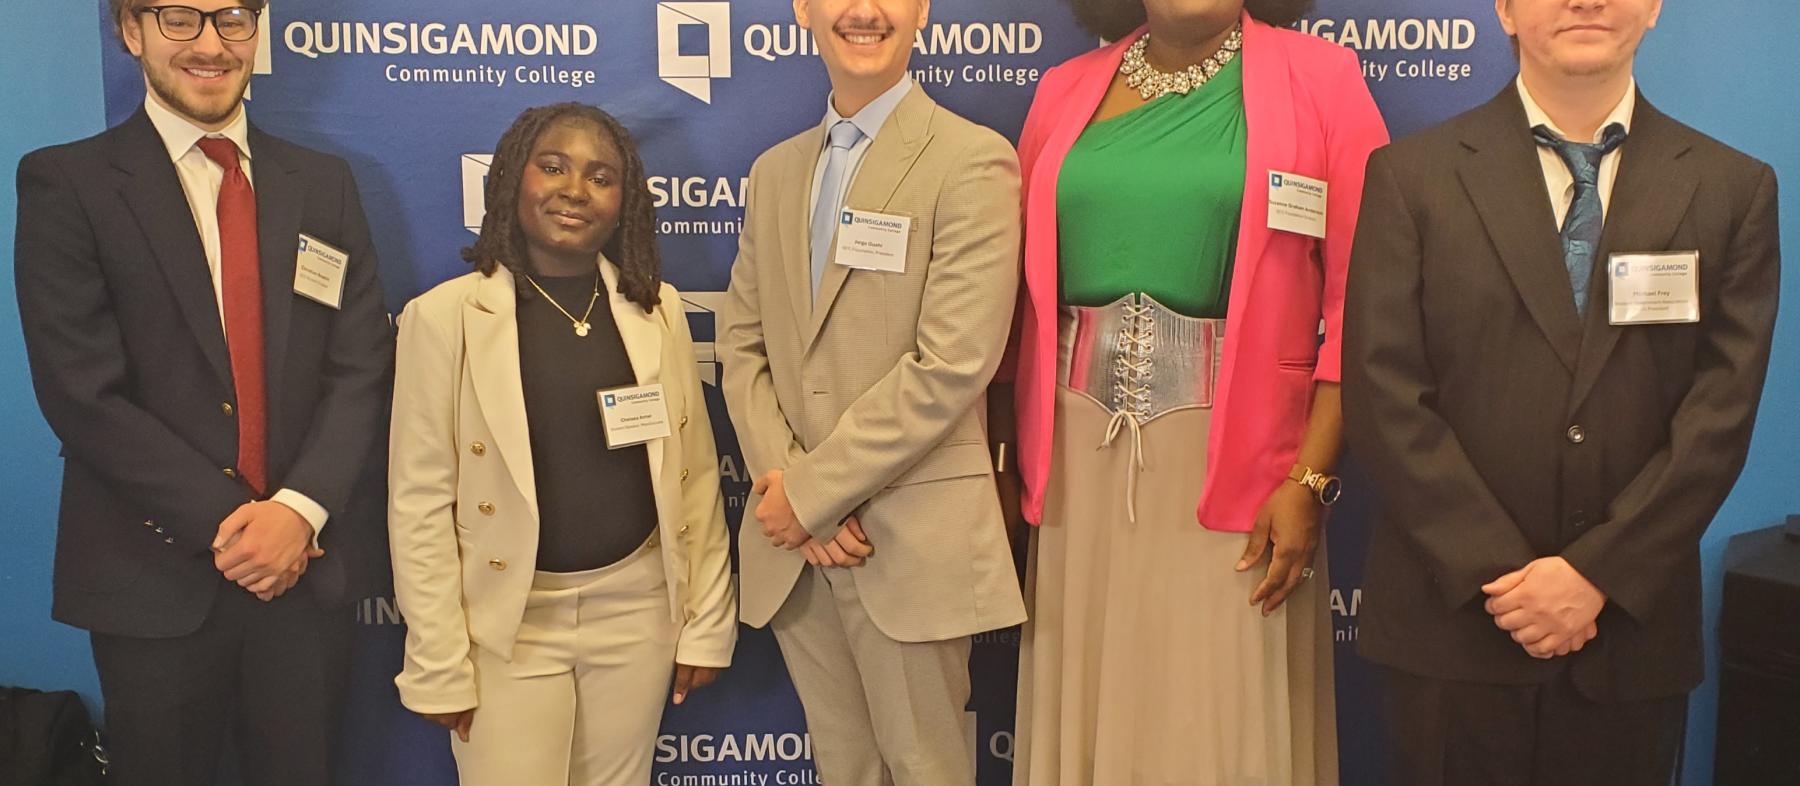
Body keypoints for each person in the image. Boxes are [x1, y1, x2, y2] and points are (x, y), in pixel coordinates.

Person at [1344, 0, 1781, 782]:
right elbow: (1383, 395)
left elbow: (1720, 414)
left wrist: (1596, 576)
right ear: (1506, 10)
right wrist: (1505, 577)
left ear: (1651, 7)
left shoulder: (1732, 187)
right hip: (1454, 628)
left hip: (1628, 639)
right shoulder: (1411, 177)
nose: (1584, 0)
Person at [1000, 0, 1389, 783]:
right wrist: (1001, 462)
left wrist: (1309, 478)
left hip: (1246, 465)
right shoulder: (1062, 90)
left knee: (1211, 711)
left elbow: (1368, 303)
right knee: (1090, 695)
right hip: (1076, 464)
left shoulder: (1322, 81)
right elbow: (1009, 303)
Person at [12, 1, 393, 784]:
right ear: (131, 29)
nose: (211, 45)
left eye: (232, 19)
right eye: (181, 18)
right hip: (150, 580)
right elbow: (83, 393)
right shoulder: (68, 182)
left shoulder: (324, 185)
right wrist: (237, 527)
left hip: (302, 573)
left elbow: (361, 365)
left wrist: (298, 511)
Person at [716, 0, 1027, 782]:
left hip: (906, 541)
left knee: (928, 769)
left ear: (920, 10)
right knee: (844, 768)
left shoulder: (972, 159)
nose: (864, 10)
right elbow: (741, 343)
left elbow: (953, 362)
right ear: (803, 11)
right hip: (798, 548)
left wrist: (813, 492)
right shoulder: (775, 171)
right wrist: (790, 488)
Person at [387, 102, 736, 785]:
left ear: (624, 200)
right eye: (553, 167)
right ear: (514, 180)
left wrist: (705, 621)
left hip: (638, 609)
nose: (575, 188)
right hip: (507, 621)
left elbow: (693, 475)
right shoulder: (443, 319)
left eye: (601, 176)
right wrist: (438, 659)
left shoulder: (656, 309)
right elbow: (419, 503)